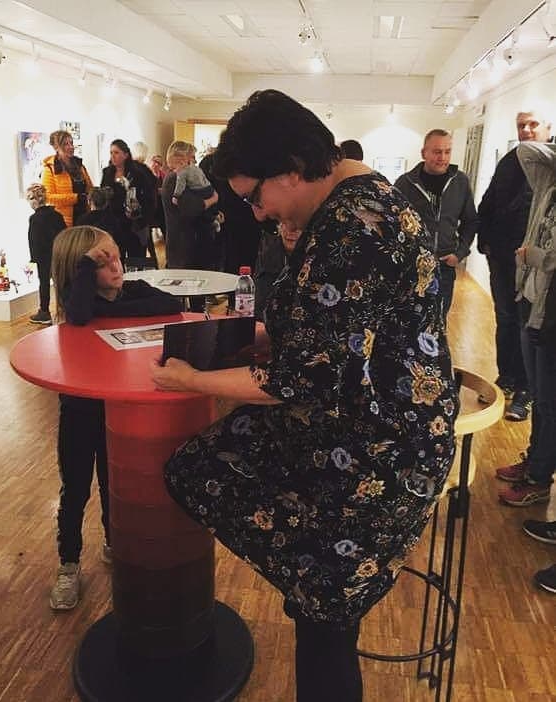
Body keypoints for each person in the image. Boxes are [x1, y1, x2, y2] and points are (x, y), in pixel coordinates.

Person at [151, 90, 459, 702]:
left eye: (255, 196)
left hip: (382, 449)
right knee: (199, 469)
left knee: (322, 619)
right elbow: (335, 332)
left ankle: (323, 583)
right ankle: (321, 581)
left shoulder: (351, 230)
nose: (259, 213)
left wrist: (193, 381)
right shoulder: (357, 198)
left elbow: (303, 380)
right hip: (357, 425)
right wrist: (258, 339)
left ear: (291, 169)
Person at [49, 225, 182, 610]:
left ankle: (114, 542)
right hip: (79, 410)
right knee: (75, 488)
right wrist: (85, 273)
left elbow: (169, 304)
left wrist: (110, 307)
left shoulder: (131, 291)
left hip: (115, 408)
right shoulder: (77, 305)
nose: (116, 266)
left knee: (113, 481)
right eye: (100, 262)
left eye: (115, 256)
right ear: (79, 272)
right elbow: (78, 314)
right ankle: (69, 563)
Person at [477, 109, 552, 421]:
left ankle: (525, 390)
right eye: (522, 125)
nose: (527, 130)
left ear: (548, 127)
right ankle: (506, 376)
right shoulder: (510, 161)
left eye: (533, 124)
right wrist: (486, 242)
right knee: (505, 319)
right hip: (503, 257)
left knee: (527, 327)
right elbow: (489, 201)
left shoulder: (549, 165)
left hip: (536, 266)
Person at [496, 141, 556, 514]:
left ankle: (538, 479)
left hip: (551, 315)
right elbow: (527, 152)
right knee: (539, 397)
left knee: (549, 403)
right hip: (531, 304)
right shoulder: (549, 186)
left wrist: (537, 256)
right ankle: (533, 461)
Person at [395, 129, 478, 317]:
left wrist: (459, 253)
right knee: (409, 320)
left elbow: (471, 221)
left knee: (439, 319)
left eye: (447, 152)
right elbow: (393, 222)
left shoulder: (460, 182)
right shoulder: (405, 183)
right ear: (424, 153)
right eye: (437, 152)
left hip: (444, 266)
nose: (443, 157)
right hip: (413, 266)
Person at [161, 141, 219, 271]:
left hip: (188, 244)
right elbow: (192, 208)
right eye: (192, 157)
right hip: (185, 247)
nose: (195, 161)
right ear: (181, 157)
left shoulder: (178, 176)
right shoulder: (174, 178)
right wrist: (213, 199)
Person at [100, 139, 156, 261]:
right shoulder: (107, 173)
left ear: (125, 155)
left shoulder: (138, 173)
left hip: (134, 223)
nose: (113, 156)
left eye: (116, 152)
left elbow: (149, 196)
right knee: (116, 258)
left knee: (136, 259)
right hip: (114, 224)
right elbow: (104, 195)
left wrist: (142, 215)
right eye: (111, 153)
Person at [25, 183, 65, 324]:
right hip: (58, 254)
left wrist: (34, 258)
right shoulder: (57, 215)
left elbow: (34, 240)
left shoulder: (35, 219)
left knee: (44, 283)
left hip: (44, 256)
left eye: (30, 199)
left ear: (35, 200)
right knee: (61, 282)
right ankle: (65, 309)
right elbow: (64, 234)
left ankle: (44, 311)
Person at [41, 130, 93, 227]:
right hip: (64, 220)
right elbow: (49, 197)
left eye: (71, 143)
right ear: (56, 147)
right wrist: (76, 198)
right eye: (65, 144)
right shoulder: (50, 169)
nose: (71, 147)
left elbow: (90, 188)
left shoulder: (79, 166)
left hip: (84, 216)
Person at [254, 222, 301, 319]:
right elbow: (260, 303)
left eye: (297, 228)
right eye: (286, 225)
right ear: (279, 228)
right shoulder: (269, 253)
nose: (290, 232)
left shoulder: (315, 258)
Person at [76, 186, 123, 254]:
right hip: (109, 255)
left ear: (89, 201)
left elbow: (79, 245)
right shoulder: (113, 220)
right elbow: (119, 243)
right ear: (106, 202)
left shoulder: (81, 220)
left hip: (89, 256)